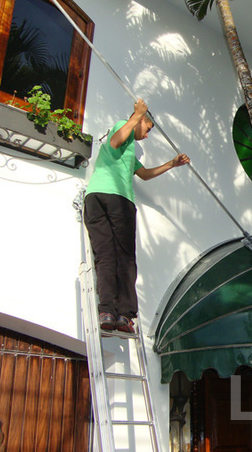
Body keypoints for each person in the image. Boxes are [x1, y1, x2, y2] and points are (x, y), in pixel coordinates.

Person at [84, 99, 190, 333]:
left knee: (105, 257)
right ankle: (125, 314)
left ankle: (107, 312)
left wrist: (171, 164)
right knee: (124, 258)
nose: (147, 135)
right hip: (118, 200)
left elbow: (144, 174)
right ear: (141, 121)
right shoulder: (124, 127)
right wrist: (136, 115)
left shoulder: (128, 152)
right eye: (148, 128)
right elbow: (114, 141)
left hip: (95, 199)